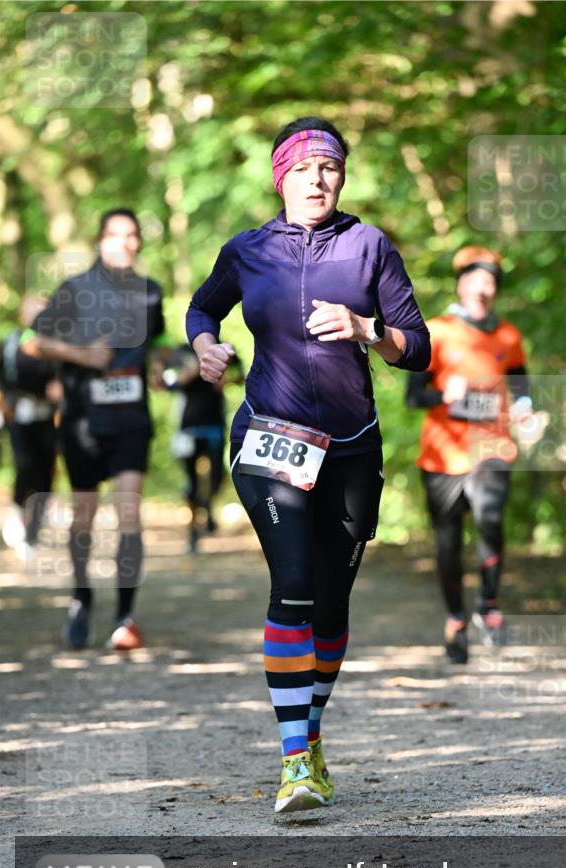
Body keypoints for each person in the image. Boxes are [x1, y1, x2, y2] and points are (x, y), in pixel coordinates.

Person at [186, 117, 430, 814]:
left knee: (330, 605)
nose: (317, 179)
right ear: (280, 177)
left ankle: (310, 737)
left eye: (329, 167)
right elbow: (202, 307)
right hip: (270, 438)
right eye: (303, 168)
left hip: (351, 445)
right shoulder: (249, 249)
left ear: (341, 177)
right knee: (291, 581)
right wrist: (205, 345)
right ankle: (296, 760)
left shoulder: (368, 246)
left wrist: (366, 330)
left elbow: (417, 347)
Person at [25, 208, 168, 651]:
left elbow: (156, 349)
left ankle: (125, 617)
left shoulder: (150, 293)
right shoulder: (74, 290)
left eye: (132, 235)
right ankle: (81, 598)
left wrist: (165, 371)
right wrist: (82, 355)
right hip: (83, 419)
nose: (124, 242)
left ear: (139, 242)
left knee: (129, 511)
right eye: (115, 235)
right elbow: (34, 341)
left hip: (131, 419)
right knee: (83, 516)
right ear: (99, 241)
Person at [407, 246, 533, 664]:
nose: (483, 288)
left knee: (491, 522)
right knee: (448, 546)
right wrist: (445, 394)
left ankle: (490, 607)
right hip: (442, 456)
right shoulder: (437, 331)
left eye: (491, 282)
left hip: (492, 446)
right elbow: (413, 396)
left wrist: (527, 411)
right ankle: (456, 619)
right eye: (476, 279)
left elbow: (521, 388)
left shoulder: (508, 336)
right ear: (460, 283)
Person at [154, 345, 243, 553]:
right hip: (189, 425)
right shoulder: (181, 352)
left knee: (217, 478)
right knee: (192, 481)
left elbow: (242, 375)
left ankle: (207, 507)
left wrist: (227, 379)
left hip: (215, 424)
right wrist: (191, 372)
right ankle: (194, 530)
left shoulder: (225, 349)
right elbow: (169, 385)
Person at [0, 294, 61, 559]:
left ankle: (33, 531)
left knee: (46, 473)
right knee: (24, 465)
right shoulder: (11, 344)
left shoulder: (57, 344)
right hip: (17, 416)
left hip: (47, 417)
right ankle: (16, 513)